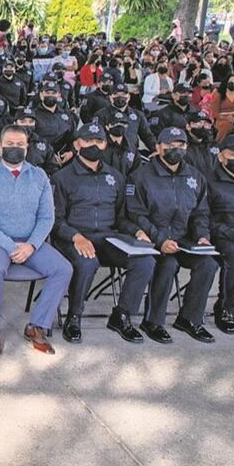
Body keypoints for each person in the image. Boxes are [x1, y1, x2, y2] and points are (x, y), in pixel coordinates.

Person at [0, 125, 72, 355]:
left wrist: (32, 245)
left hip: (29, 241)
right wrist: (10, 246)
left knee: (63, 269)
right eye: (9, 144)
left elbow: (46, 217)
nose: (14, 148)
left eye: (19, 144)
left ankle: (37, 326)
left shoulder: (39, 176)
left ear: (27, 148)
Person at [50, 124, 155, 344]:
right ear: (77, 144)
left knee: (145, 261)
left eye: (99, 141)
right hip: (74, 238)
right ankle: (74, 317)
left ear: (105, 144)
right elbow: (55, 220)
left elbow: (121, 218)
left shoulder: (115, 177)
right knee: (87, 262)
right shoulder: (62, 177)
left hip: (107, 237)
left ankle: (122, 315)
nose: (94, 146)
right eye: (88, 141)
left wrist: (137, 231)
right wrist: (76, 236)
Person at [126, 127, 218, 344]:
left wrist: (202, 236)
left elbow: (201, 213)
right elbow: (136, 214)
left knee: (208, 264)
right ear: (158, 148)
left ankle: (189, 319)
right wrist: (160, 240)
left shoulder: (195, 177)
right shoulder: (140, 176)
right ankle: (153, 321)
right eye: (169, 145)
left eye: (180, 145)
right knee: (168, 264)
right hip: (152, 239)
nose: (175, 149)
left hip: (183, 239)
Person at [208, 134, 234, 334]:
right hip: (222, 234)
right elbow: (204, 219)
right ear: (221, 156)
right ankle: (226, 308)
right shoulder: (210, 181)